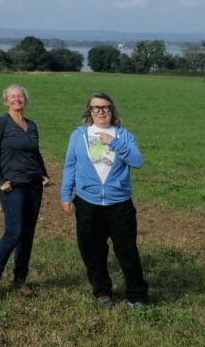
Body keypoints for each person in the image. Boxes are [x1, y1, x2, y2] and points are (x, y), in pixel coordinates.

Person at [61, 92, 149, 307]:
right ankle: (102, 291)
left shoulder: (123, 135)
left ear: (112, 110)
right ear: (89, 112)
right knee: (92, 250)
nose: (101, 112)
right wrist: (65, 194)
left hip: (119, 204)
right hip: (87, 202)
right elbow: (70, 165)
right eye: (96, 108)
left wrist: (114, 143)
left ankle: (137, 295)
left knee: (127, 250)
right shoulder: (79, 135)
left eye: (105, 107)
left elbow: (137, 161)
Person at [0, 83, 50, 299]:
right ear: (6, 101)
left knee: (27, 235)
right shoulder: (1, 123)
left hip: (34, 185)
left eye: (20, 96)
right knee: (14, 233)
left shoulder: (31, 125)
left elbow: (35, 153)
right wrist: (0, 181)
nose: (17, 100)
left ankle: (21, 279)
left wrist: (44, 173)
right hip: (13, 186)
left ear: (25, 100)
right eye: (12, 97)